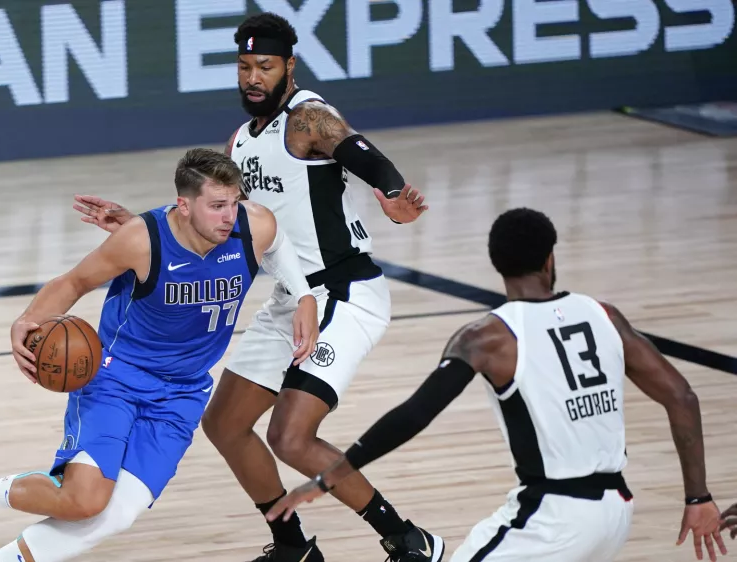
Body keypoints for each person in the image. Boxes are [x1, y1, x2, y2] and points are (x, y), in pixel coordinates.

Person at [70, 12, 443, 562]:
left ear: (288, 67)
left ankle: (409, 540)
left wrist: (390, 192)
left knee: (290, 436)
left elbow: (358, 149)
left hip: (343, 293)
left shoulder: (308, 118)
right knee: (224, 423)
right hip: (289, 298)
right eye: (244, 67)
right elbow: (219, 219)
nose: (252, 77)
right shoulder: (242, 142)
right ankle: (293, 548)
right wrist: (141, 229)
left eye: (264, 66)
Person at [0, 148, 320, 562]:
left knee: (116, 515)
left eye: (233, 202)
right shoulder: (142, 240)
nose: (229, 216)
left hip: (183, 393)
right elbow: (74, 282)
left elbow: (278, 242)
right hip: (116, 379)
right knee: (85, 500)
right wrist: (28, 319)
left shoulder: (254, 224)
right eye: (216, 206)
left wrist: (302, 295)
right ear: (184, 205)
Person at [266, 207, 730, 562]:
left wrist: (333, 475)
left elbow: (414, 415)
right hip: (617, 510)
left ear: (496, 266)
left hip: (552, 516)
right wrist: (697, 496)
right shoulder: (604, 315)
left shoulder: (487, 337)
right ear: (550, 258)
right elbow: (682, 396)